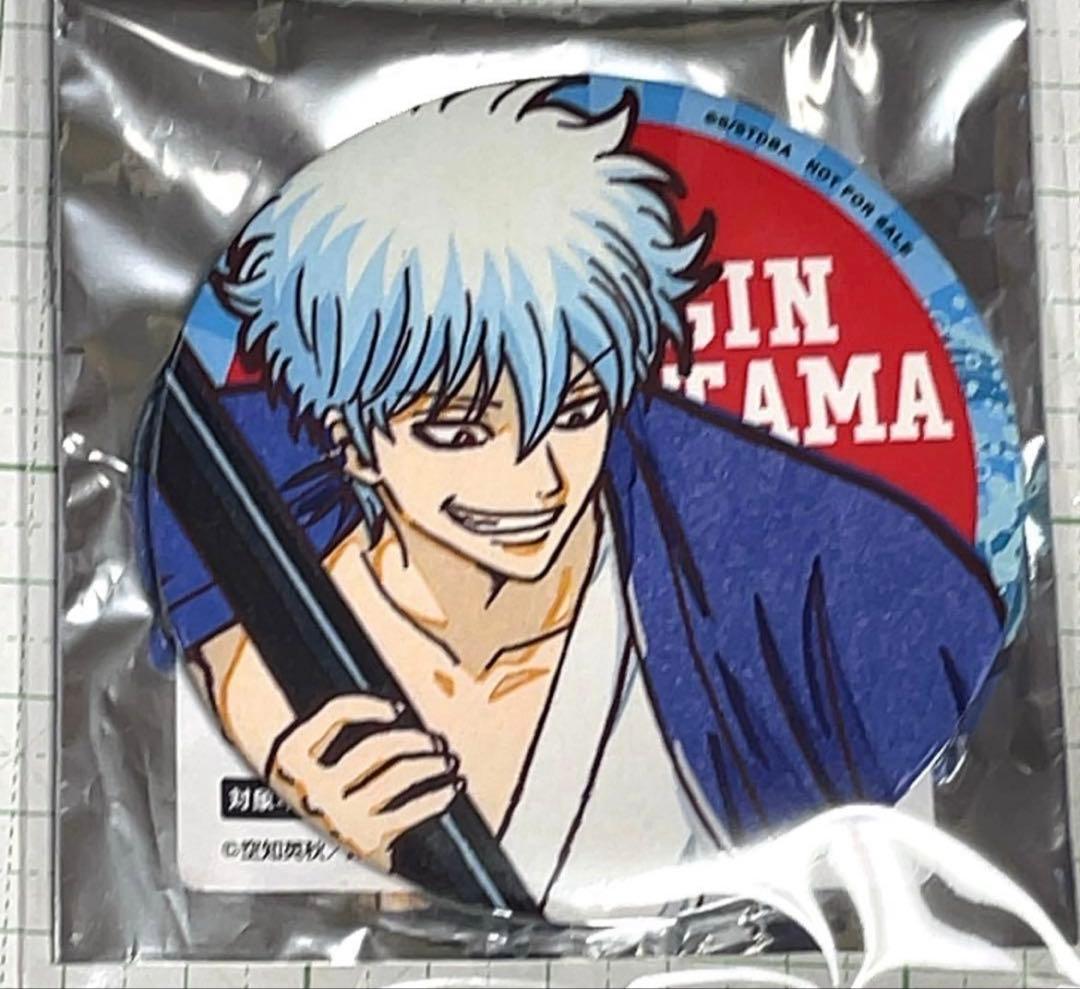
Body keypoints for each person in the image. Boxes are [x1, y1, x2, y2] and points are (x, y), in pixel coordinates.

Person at [142, 79, 1005, 919]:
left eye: (576, 410)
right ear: (352, 440)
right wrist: (297, 787)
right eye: (459, 431)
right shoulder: (248, 566)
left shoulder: (773, 574)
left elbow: (935, 642)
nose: (538, 479)